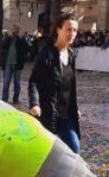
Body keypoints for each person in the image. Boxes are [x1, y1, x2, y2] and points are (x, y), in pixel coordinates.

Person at [29, 14, 82, 152]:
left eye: (75, 30)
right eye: (68, 29)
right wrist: (34, 104)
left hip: (67, 115)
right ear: (58, 30)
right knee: (47, 151)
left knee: (74, 147)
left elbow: (70, 87)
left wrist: (74, 108)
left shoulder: (71, 55)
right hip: (49, 112)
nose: (72, 33)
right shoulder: (47, 54)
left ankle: (67, 174)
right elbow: (34, 80)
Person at [1, 24, 27, 105]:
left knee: (17, 83)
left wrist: (21, 38)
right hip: (8, 63)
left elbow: (25, 49)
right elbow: (3, 46)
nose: (14, 31)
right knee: (6, 83)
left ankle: (15, 99)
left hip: (17, 64)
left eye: (16, 29)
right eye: (13, 29)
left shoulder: (20, 40)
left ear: (18, 30)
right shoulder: (8, 39)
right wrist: (9, 37)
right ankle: (4, 99)